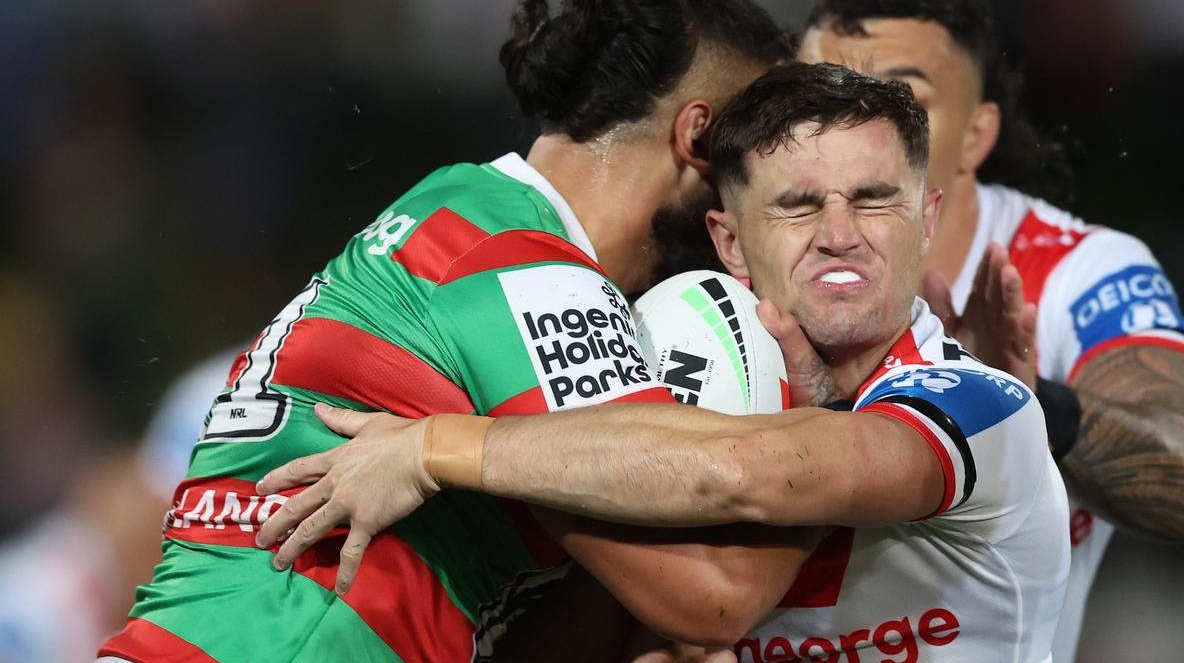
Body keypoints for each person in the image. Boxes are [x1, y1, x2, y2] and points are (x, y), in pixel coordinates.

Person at [98, 0, 803, 663]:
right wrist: (839, 408)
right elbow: (714, 593)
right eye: (757, 154)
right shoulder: (518, 262)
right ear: (699, 137)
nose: (773, 197)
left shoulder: (465, 217)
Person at [259, 63, 1071, 662]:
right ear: (729, 243)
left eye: (873, 199)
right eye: (796, 205)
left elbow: (740, 472)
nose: (839, 232)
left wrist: (432, 448)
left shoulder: (978, 404)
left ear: (927, 219)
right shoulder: (694, 397)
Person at [796, 0, 1184, 661]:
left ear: (976, 135)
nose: (854, 129)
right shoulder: (736, 259)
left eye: (902, 98)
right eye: (822, 97)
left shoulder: (1075, 271)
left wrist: (1013, 406)